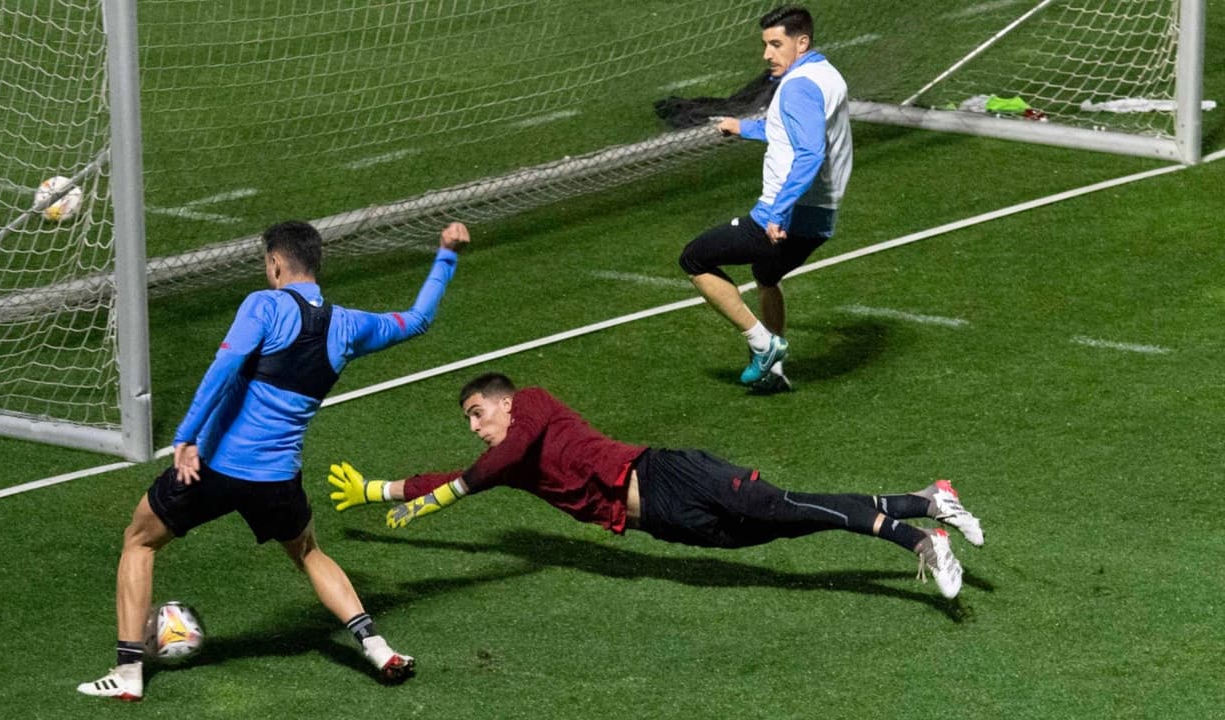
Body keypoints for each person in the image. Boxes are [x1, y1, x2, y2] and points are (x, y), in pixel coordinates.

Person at [78, 220, 470, 701]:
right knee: (308, 553)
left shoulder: (263, 305)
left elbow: (224, 366)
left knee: (139, 541)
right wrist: (446, 254)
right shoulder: (350, 325)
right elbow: (419, 319)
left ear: (276, 263)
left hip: (215, 468)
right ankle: (377, 646)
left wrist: (187, 436)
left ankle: (128, 672)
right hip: (278, 479)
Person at [328, 373, 982, 600]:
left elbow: (485, 469)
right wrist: (379, 490)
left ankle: (920, 541)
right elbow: (453, 476)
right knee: (790, 522)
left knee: (786, 506)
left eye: (477, 414)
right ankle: (927, 499)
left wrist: (443, 499)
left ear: (503, 402)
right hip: (662, 520)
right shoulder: (507, 462)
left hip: (666, 472)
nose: (475, 428)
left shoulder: (533, 405)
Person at [679, 5, 852, 391]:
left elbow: (809, 153)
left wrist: (778, 212)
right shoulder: (826, 75)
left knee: (694, 258)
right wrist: (744, 128)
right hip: (821, 218)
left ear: (801, 42)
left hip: (784, 214)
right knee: (766, 274)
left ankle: (764, 344)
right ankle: (774, 374)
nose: (767, 54)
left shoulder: (797, 87)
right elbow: (792, 131)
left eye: (776, 44)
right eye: (766, 45)